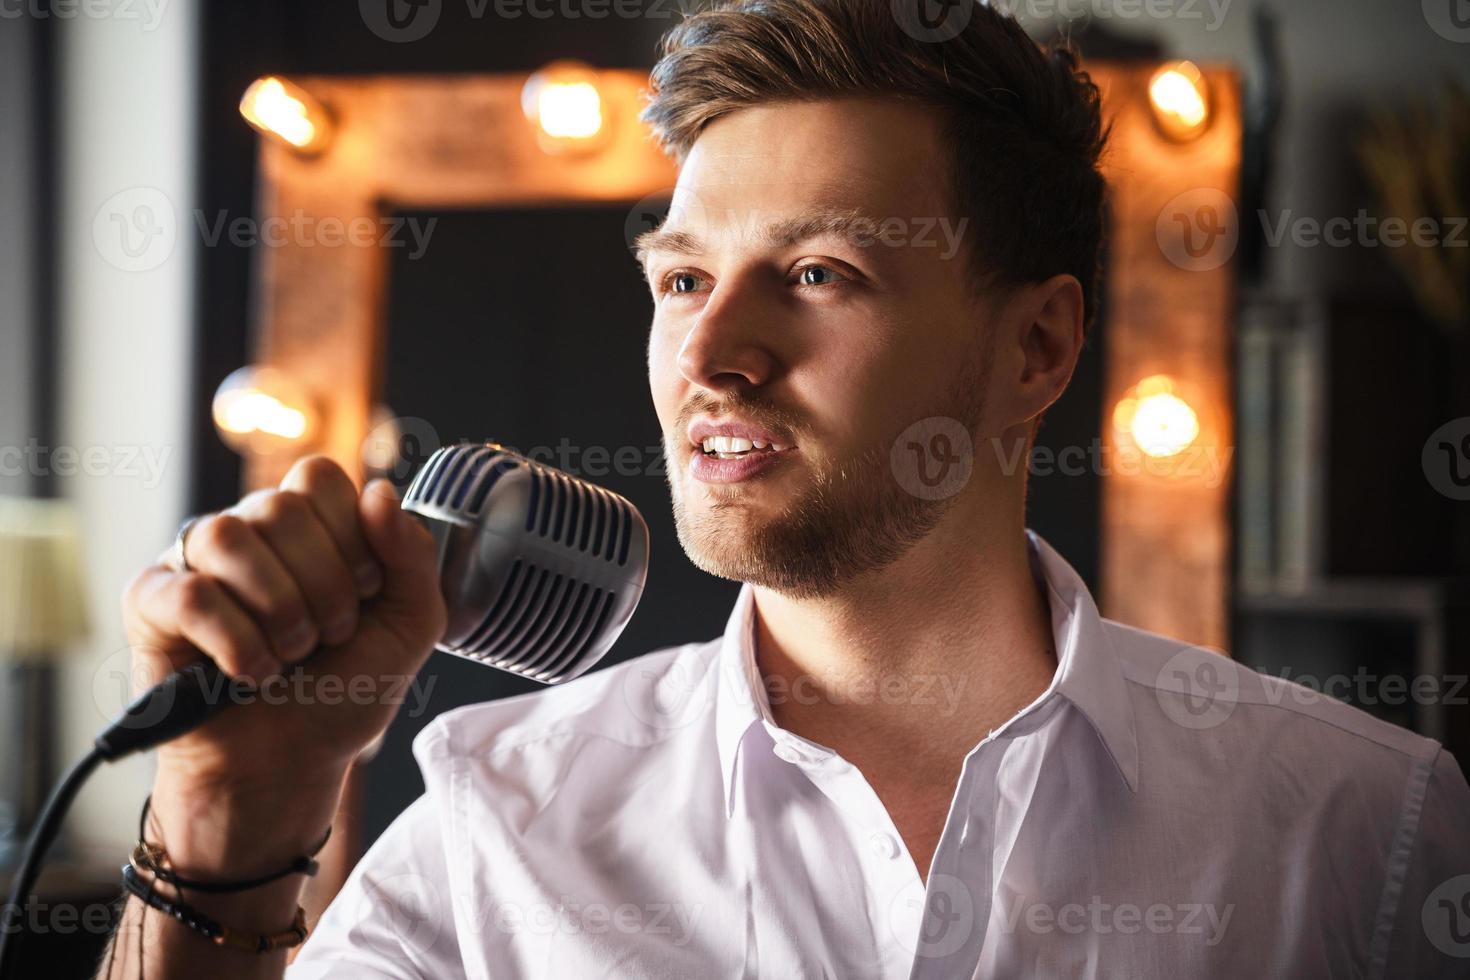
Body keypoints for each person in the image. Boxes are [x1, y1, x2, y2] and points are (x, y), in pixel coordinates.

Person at [100, 1, 1469, 977]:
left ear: (1036, 346)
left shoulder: (1359, 829)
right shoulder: (495, 823)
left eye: (818, 274)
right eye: (683, 280)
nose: (711, 354)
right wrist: (230, 819)